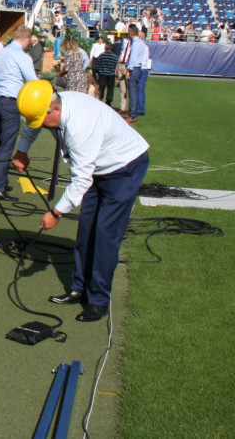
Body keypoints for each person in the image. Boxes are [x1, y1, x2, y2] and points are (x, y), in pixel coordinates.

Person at [13, 80, 150, 323]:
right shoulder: (53, 101)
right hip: (99, 168)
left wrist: (56, 213)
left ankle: (97, 299)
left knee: (105, 234)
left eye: (42, 120)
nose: (41, 126)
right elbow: (34, 124)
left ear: (53, 110)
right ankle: (79, 287)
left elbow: (81, 181)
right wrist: (22, 150)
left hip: (125, 167)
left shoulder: (80, 128)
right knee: (87, 228)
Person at [0, 26, 36, 202]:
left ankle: (1, 180)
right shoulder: (22, 56)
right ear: (27, 40)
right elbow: (32, 81)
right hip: (10, 101)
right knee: (7, 144)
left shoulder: (0, 53)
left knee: (3, 142)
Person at [121, 24, 148, 123]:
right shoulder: (141, 43)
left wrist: (128, 69)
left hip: (134, 68)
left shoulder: (135, 43)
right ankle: (133, 112)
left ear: (131, 32)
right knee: (135, 91)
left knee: (132, 92)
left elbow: (133, 58)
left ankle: (132, 115)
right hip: (138, 68)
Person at [93, 41, 118, 106]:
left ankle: (100, 99)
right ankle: (109, 101)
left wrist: (98, 72)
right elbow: (115, 65)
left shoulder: (102, 55)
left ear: (106, 48)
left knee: (101, 88)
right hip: (111, 74)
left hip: (102, 74)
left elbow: (97, 65)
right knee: (110, 88)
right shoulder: (114, 57)